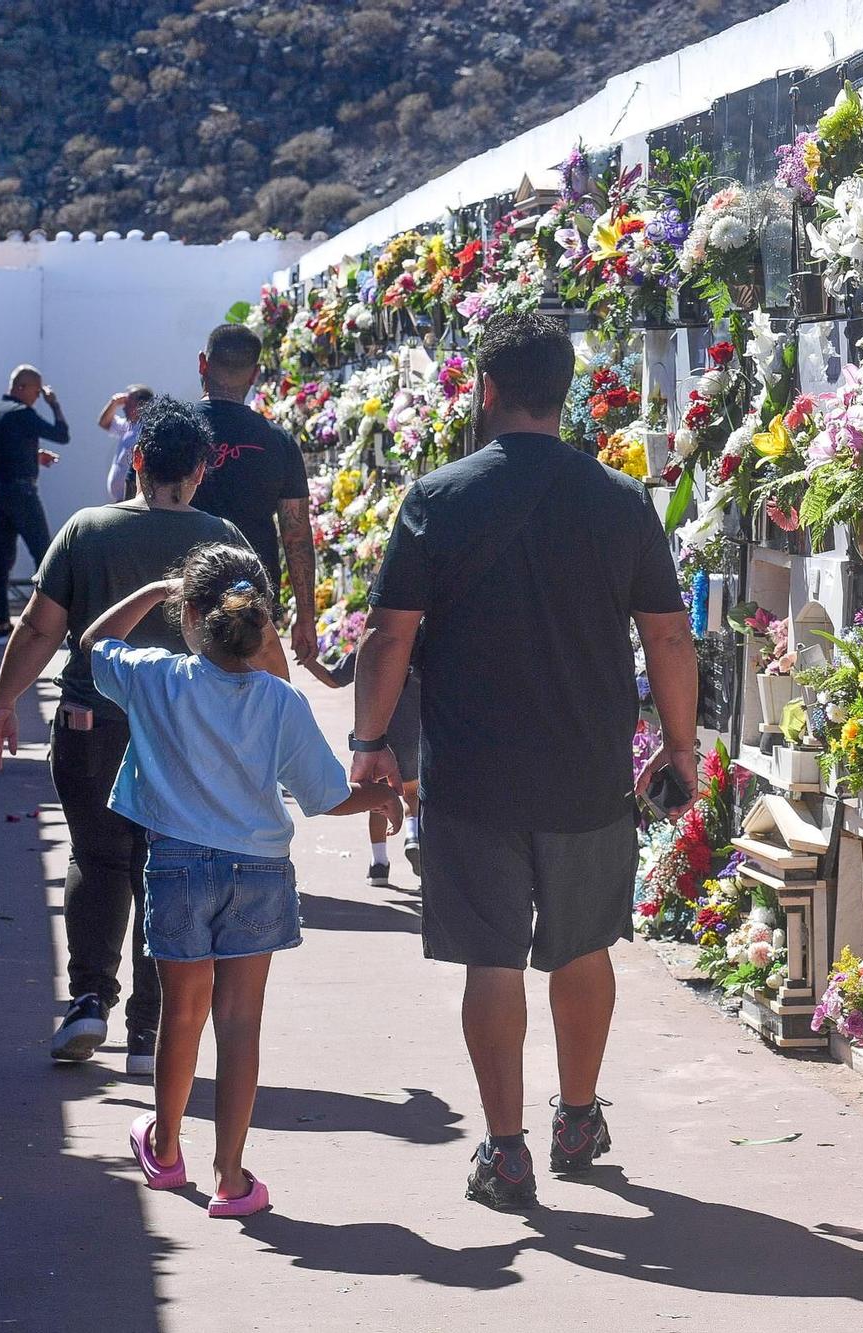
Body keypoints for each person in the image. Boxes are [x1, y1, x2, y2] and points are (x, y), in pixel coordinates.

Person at [351, 312, 699, 1212]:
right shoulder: (621, 501)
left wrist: (371, 742)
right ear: (564, 393)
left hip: (474, 775)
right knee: (582, 948)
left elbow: (390, 635)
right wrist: (680, 743)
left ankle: (506, 1153)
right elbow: (667, 633)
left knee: (492, 960)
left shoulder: (438, 496)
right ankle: (578, 1119)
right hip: (587, 770)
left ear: (488, 390)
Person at [81, 544, 401, 1219]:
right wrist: (375, 799)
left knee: (182, 1013)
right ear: (261, 622)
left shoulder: (156, 677)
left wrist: (157, 585)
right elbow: (324, 796)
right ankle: (231, 1178)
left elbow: (93, 641)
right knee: (240, 1022)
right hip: (258, 872)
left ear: (190, 616)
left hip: (177, 867)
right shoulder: (280, 702)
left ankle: (165, 1148)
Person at [0, 396, 264, 1076]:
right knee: (162, 874)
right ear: (200, 469)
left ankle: (87, 1000)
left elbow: (40, 627)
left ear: (137, 461)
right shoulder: (224, 541)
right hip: (188, 739)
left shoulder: (86, 529)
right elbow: (251, 642)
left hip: (90, 726)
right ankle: (148, 1035)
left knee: (99, 857)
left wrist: (2, 702)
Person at [190, 324, 318, 670]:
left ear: (203, 363)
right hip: (252, 604)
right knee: (255, 706)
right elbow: (296, 535)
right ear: (256, 374)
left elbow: (136, 511)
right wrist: (306, 618)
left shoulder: (172, 432)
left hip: (181, 597)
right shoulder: (278, 442)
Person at [304, 641, 423, 885]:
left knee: (378, 798)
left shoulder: (369, 647)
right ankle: (412, 836)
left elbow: (333, 679)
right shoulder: (420, 646)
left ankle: (379, 864)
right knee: (412, 793)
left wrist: (307, 661)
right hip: (414, 732)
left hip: (375, 735)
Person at [0, 365, 70, 637]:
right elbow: (62, 435)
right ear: (21, 387)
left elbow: (7, 451)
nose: (38, 396)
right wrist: (54, 405)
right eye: (36, 391)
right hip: (22, 494)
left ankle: (0, 624)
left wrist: (34, 456)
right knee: (45, 556)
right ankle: (46, 623)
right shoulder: (23, 414)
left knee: (2, 558)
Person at [98, 384, 155, 503]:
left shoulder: (149, 429)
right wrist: (113, 403)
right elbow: (104, 423)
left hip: (133, 499)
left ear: (142, 405)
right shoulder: (127, 425)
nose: (123, 407)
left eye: (128, 403)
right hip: (120, 500)